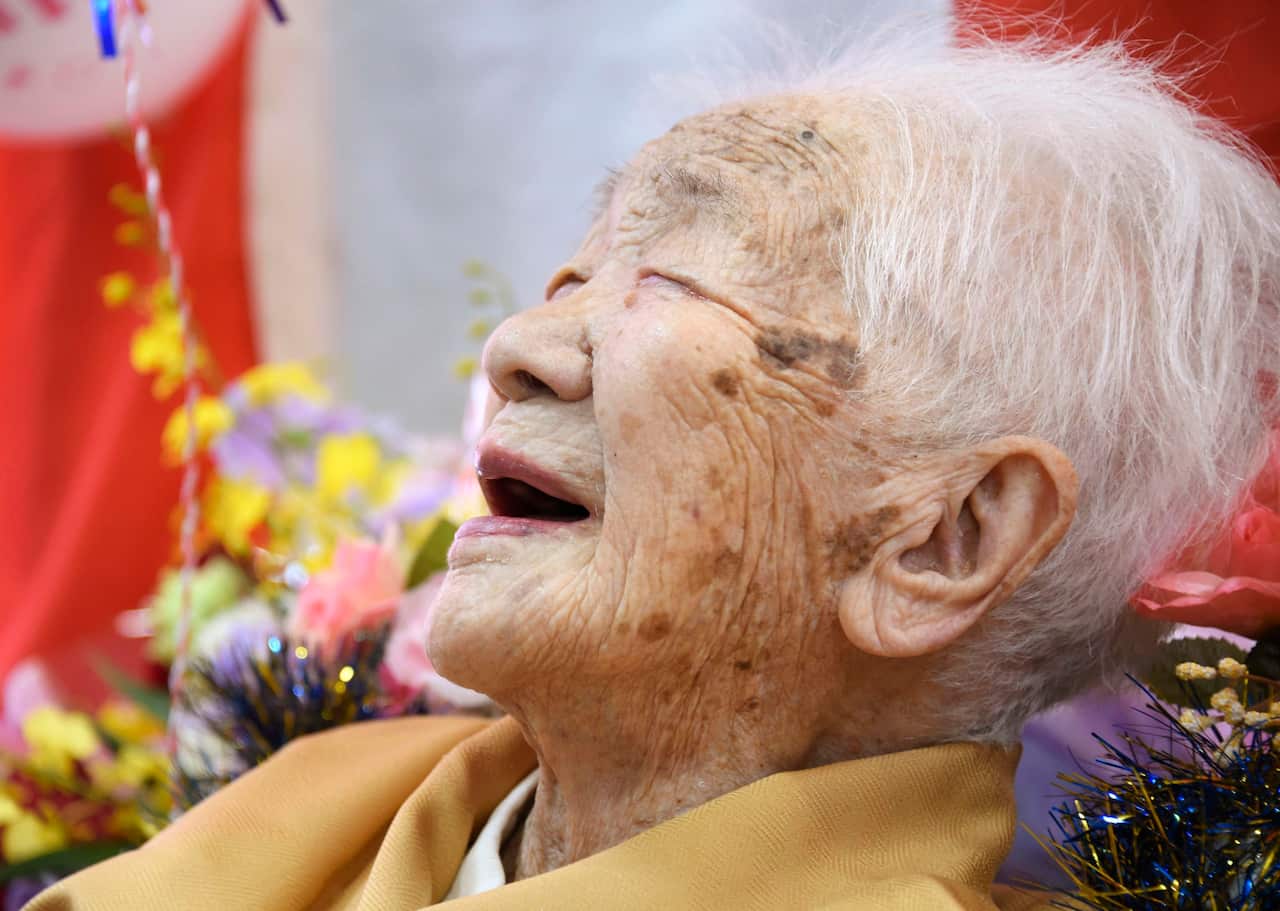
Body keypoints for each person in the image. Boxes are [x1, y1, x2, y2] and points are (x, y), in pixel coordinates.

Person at [27, 34, 1280, 911]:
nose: (516, 348)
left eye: (672, 283)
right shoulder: (302, 815)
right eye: (572, 277)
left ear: (943, 536)